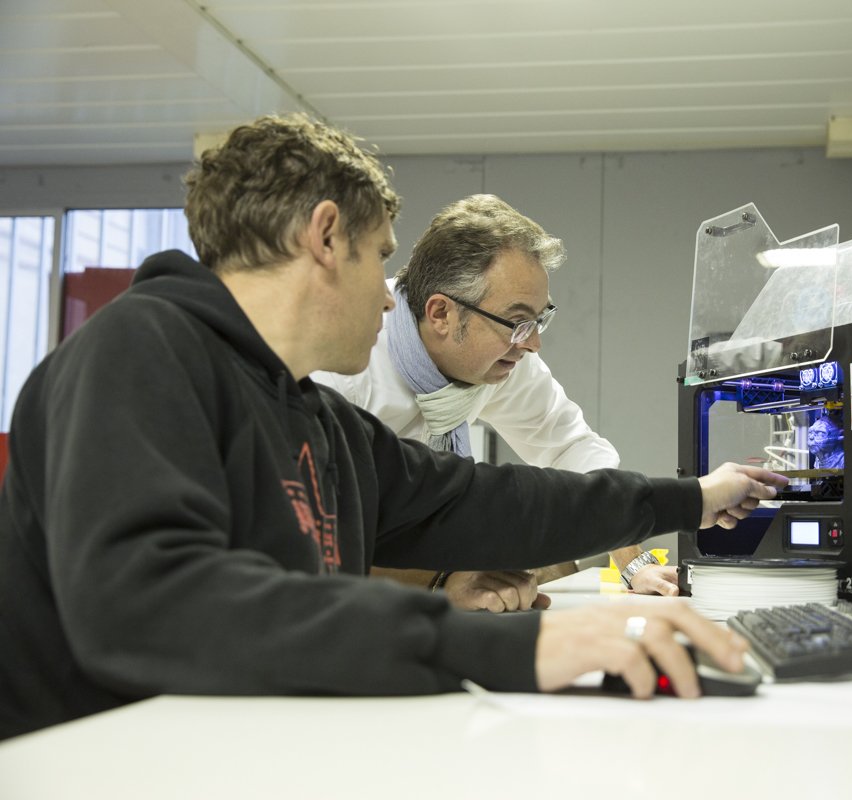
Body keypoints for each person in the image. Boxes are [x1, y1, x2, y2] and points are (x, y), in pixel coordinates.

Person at [0, 112, 786, 741]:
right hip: (99, 761)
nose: (388, 297)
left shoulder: (316, 418)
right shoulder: (138, 355)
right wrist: (509, 646)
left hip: (242, 744)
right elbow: (152, 606)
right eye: (381, 259)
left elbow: (493, 500)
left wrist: (689, 499)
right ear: (326, 235)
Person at [312, 194, 676, 611]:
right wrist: (441, 580)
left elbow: (570, 449)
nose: (534, 343)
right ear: (441, 314)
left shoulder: (500, 355)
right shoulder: (344, 369)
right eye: (519, 321)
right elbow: (320, 542)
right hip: (351, 597)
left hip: (429, 579)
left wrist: (635, 564)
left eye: (539, 320)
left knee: (558, 564)